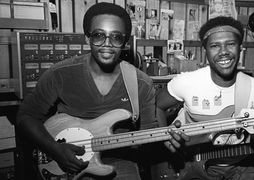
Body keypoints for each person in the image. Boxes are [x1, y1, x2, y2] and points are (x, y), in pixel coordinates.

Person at [16, 2, 162, 180]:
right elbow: (25, 117)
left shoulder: (142, 84)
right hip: (62, 159)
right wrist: (54, 149)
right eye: (99, 35)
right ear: (87, 38)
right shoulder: (60, 74)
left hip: (119, 161)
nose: (107, 44)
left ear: (125, 42)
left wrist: (167, 141)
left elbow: (148, 136)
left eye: (116, 37)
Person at [156, 16, 254, 180]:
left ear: (240, 48)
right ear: (205, 51)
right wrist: (165, 139)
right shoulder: (186, 82)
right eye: (215, 46)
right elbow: (157, 106)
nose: (223, 51)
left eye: (230, 44)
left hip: (241, 166)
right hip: (193, 165)